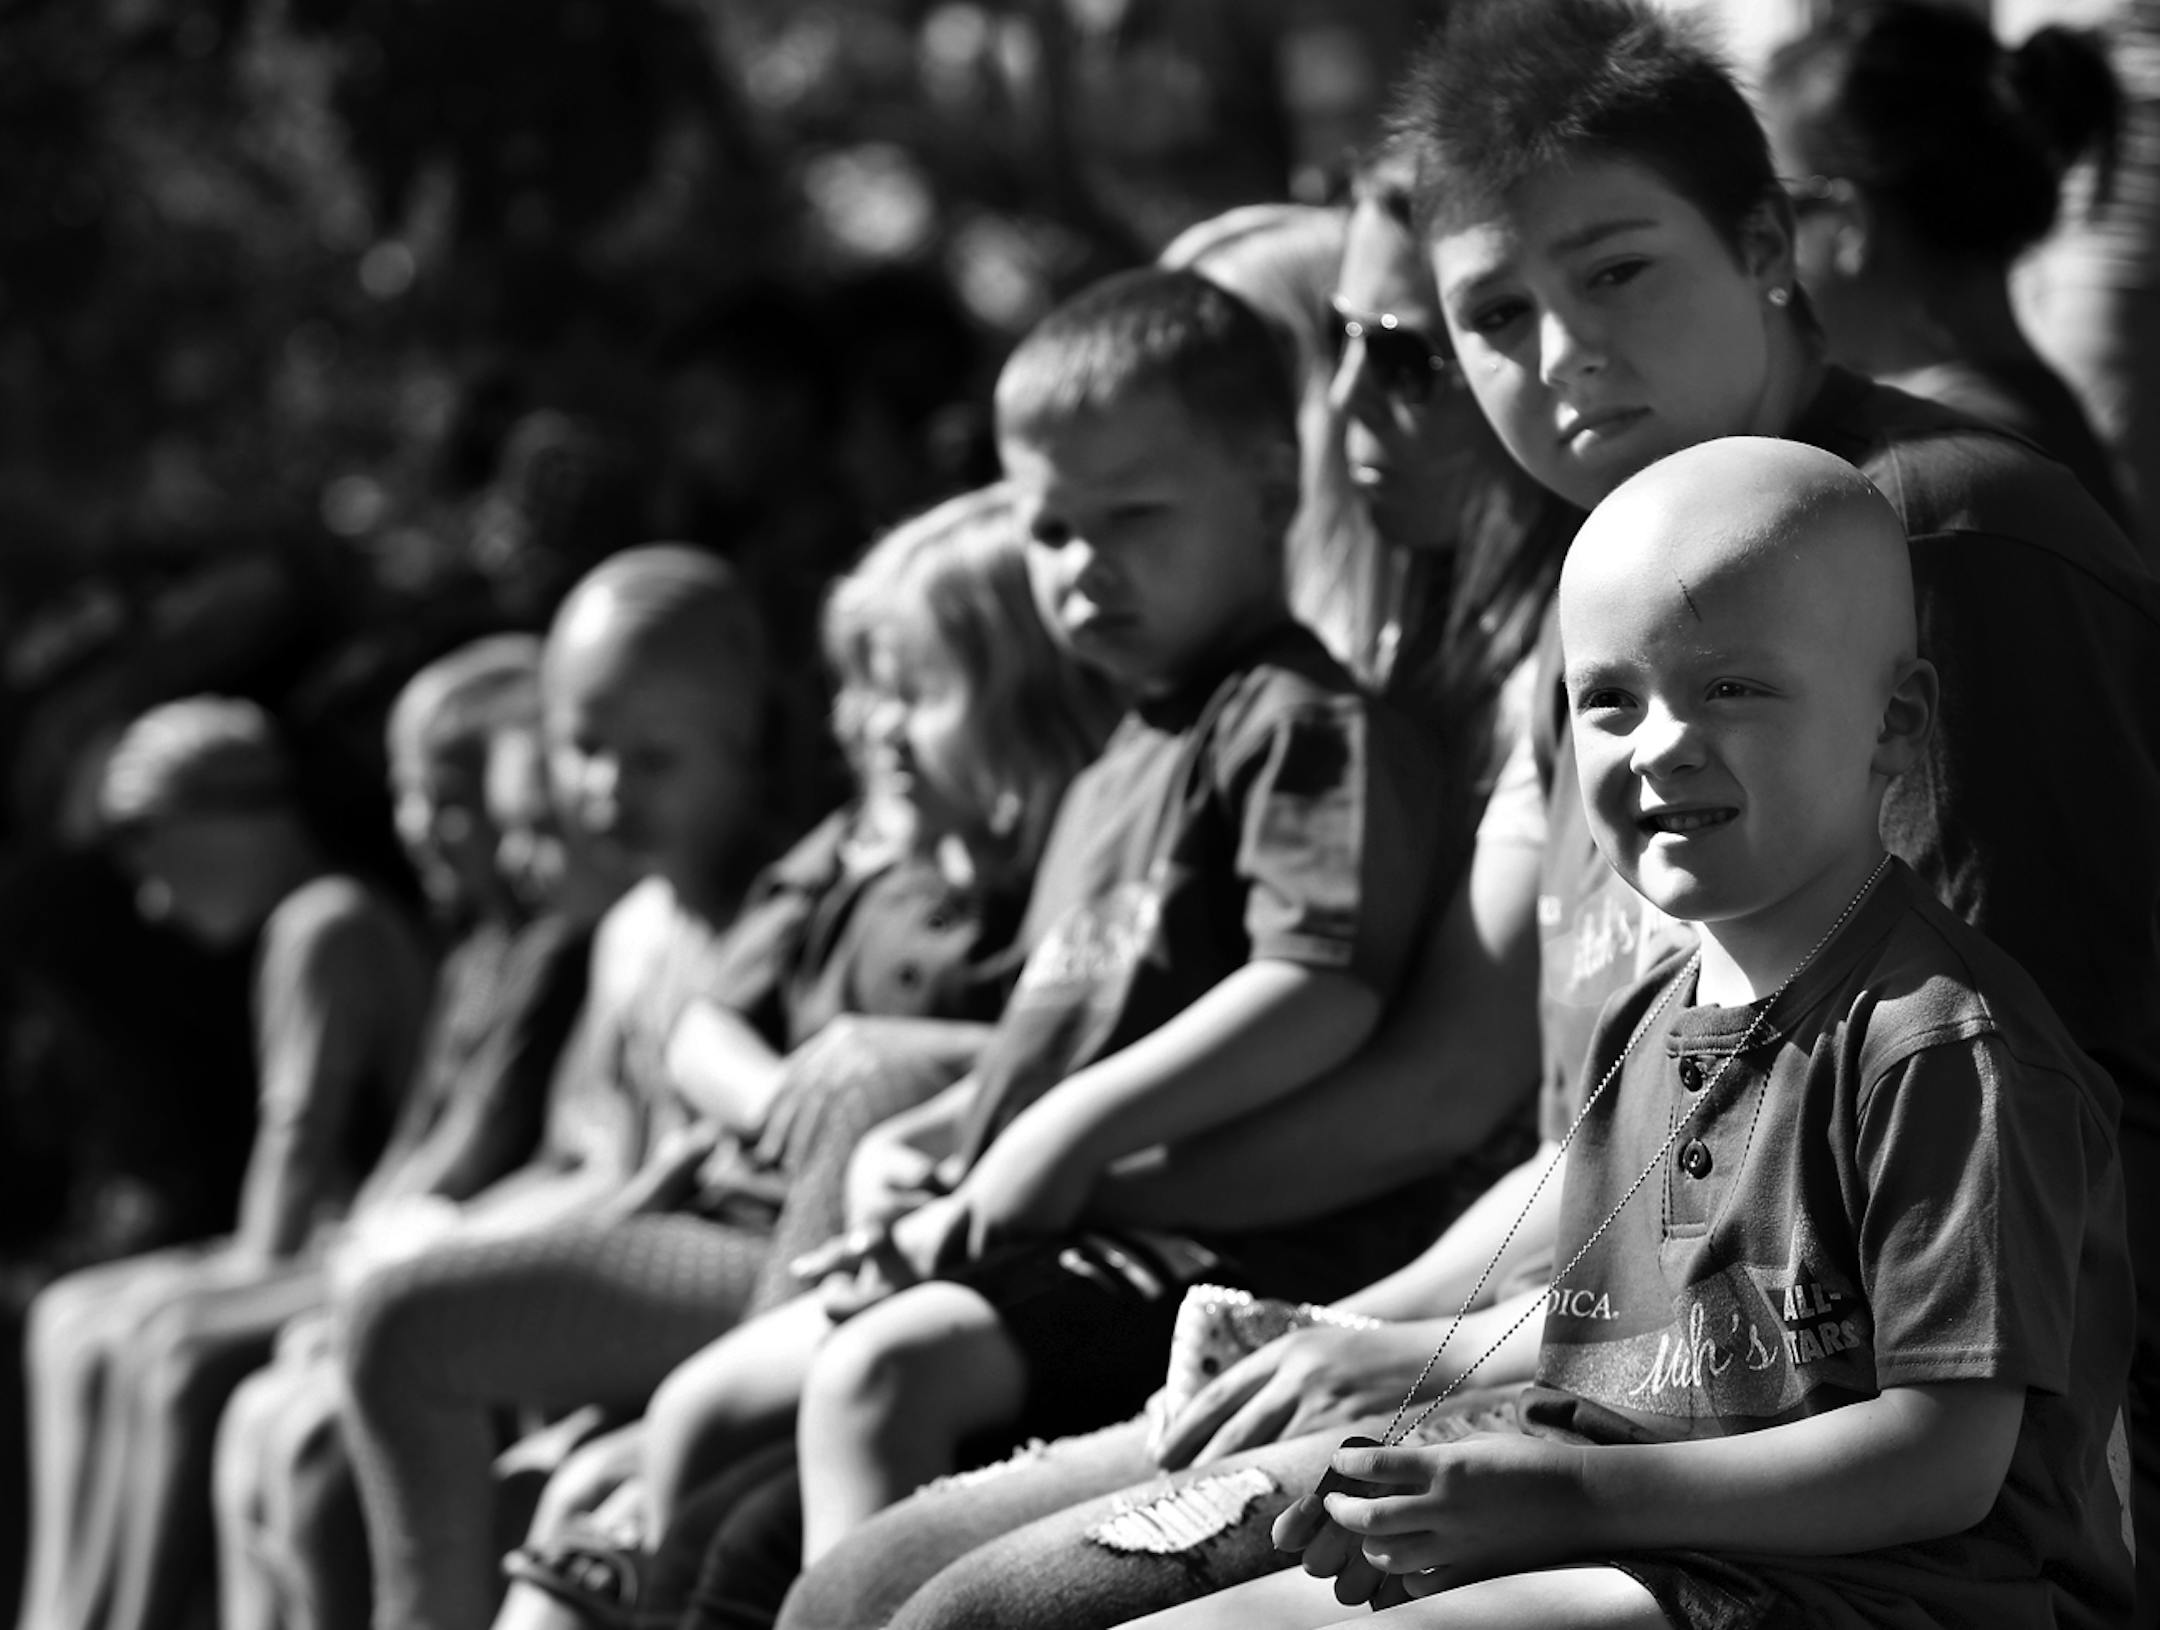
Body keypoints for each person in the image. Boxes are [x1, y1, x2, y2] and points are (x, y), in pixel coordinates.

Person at [784, 1, 2160, 1624]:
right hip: (1597, 1376)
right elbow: (1605, 1138)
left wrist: (1523, 1434)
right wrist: (1362, 1339)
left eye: (1618, 269)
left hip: (1832, 1475)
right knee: (880, 1573)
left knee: (986, 1609)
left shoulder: (1932, 539)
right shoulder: (1600, 605)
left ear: (1768, 242)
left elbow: (2027, 1142)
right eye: (1492, 313)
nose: (1561, 350)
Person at [1142, 439, 2135, 1628]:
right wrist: (1430, 1494)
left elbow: (1940, 1461)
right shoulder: (1648, 1016)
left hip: (1888, 1595)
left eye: (1733, 687)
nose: (1660, 741)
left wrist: (1568, 1498)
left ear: (1896, 720)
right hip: (1637, 1537)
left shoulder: (1938, 1048)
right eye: (1610, 697)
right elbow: (1617, 1357)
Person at [478, 480, 1123, 1630]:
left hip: (850, 1284)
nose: (870, 723)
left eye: (911, 688)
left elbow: (1070, 1049)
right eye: (862, 687)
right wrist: (801, 1086)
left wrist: (884, 1059)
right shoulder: (858, 854)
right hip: (780, 1242)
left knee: (668, 1507)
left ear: (1018, 694)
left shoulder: (1068, 877)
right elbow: (701, 1026)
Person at [207, 642, 605, 1630]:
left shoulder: (570, 948)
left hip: (495, 1261)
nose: (515, 857)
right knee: (258, 1416)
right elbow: (432, 1143)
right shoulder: (484, 953)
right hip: (434, 1251)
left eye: (528, 826)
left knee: (294, 1433)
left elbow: (504, 1157)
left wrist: (372, 1259)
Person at [17, 698, 433, 1630]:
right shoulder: (319, 917)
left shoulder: (327, 923)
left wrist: (237, 1275)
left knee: (159, 1339)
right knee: (69, 1316)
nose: (146, 887)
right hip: (337, 1239)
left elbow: (301, 1138)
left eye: (146, 842)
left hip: (355, 1244)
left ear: (221, 820)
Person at [1758, 0, 2135, 526]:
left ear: (1849, 223)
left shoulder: (1934, 474)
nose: (1764, 254)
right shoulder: (2037, 427)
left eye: (1780, 207)